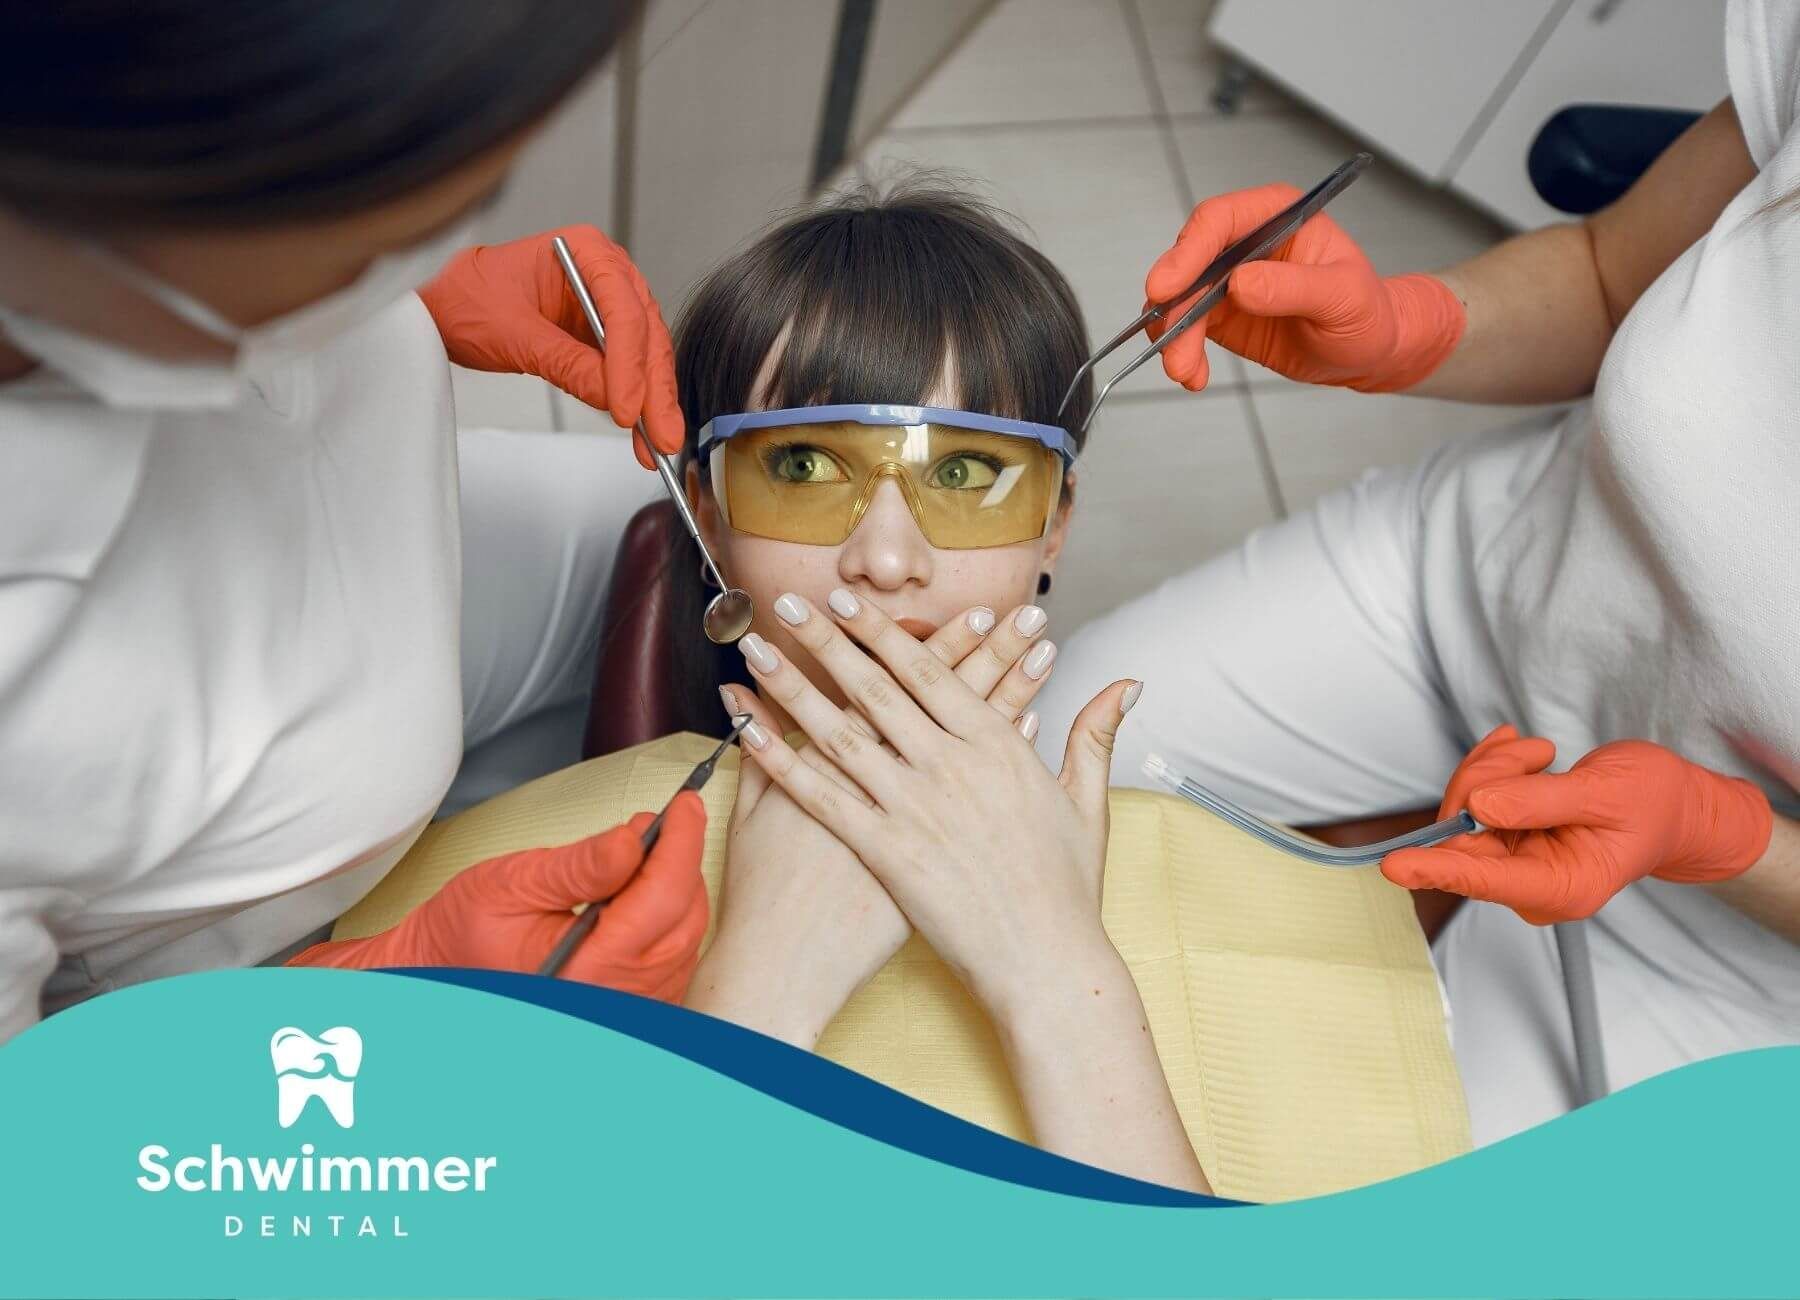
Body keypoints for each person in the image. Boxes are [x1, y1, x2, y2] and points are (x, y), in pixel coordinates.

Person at [1032, 0, 1799, 1143]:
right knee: (1034, 769)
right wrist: (1405, 328)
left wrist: (1725, 837)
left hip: (1719, 926)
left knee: (1385, 1190)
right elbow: (1605, 272)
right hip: (1480, 588)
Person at [0, 1, 709, 1041]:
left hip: (379, 547)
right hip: (227, 954)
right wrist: (383, 989)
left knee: (682, 525)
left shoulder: (116, 228)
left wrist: (408, 284)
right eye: (382, 220)